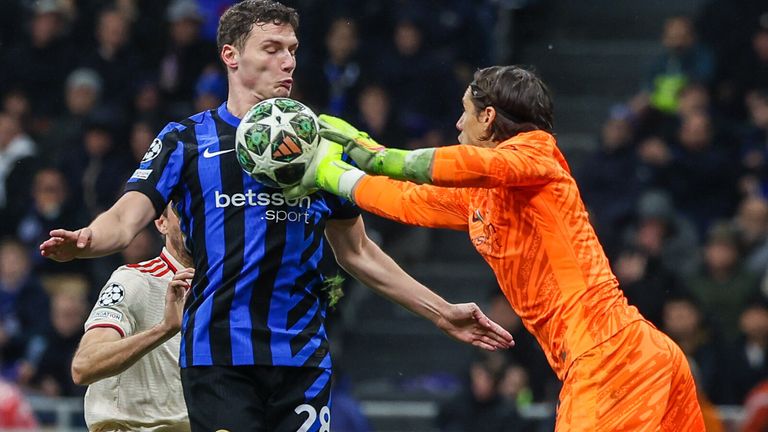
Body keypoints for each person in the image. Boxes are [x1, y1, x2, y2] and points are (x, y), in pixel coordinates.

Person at [39, 2, 513, 431]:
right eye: (271, 48)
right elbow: (125, 219)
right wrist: (87, 239)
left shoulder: (323, 144)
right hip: (217, 357)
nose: (287, 61)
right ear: (231, 55)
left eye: (292, 49)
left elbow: (358, 252)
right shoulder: (185, 141)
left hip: (301, 357)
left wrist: (442, 312)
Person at [297, 64, 706, 431]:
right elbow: (409, 200)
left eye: (465, 112)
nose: (458, 123)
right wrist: (334, 176)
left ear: (488, 117)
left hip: (610, 361)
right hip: (631, 357)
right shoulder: (484, 194)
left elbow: (455, 164)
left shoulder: (536, 151)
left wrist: (372, 154)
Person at [70, 204, 193, 431]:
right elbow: (84, 365)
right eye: (181, 206)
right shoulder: (135, 280)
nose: (192, 213)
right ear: (161, 223)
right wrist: (164, 329)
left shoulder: (229, 290)